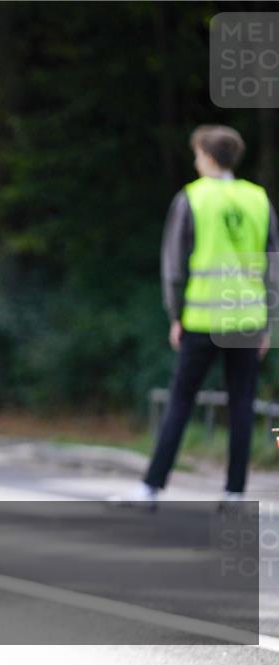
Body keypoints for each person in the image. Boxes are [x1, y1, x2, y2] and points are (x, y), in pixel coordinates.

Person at [117, 125, 278, 509]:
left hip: (202, 319)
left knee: (180, 402)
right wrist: (270, 323)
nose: (194, 161)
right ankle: (235, 492)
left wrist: (176, 315)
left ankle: (152, 488)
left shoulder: (192, 198)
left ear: (207, 156)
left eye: (197, 154)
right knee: (242, 405)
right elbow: (274, 267)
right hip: (247, 320)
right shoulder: (258, 200)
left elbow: (174, 266)